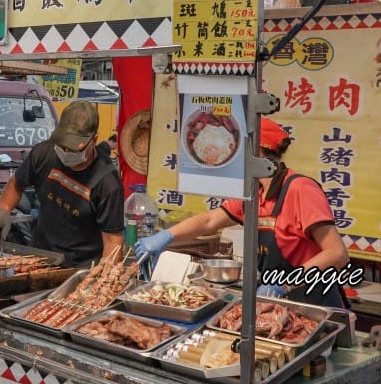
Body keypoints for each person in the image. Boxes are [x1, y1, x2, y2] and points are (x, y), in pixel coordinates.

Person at [134, 117, 349, 308]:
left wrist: (283, 284)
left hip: (315, 303)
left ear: (257, 153)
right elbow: (209, 221)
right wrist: (165, 237)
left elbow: (337, 254)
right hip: (276, 305)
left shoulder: (300, 189)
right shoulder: (253, 193)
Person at [0, 100, 124, 267]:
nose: (65, 152)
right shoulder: (44, 153)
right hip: (39, 258)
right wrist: (3, 210)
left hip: (79, 268)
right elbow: (16, 184)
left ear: (94, 140)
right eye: (62, 144)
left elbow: (113, 241)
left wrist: (103, 275)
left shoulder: (107, 183)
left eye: (73, 148)